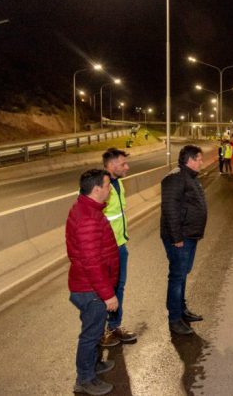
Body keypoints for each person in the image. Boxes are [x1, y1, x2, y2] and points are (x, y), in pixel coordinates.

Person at [66, 169, 120, 395]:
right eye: (107, 185)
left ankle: (93, 365)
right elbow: (91, 262)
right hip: (91, 290)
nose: (110, 189)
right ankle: (84, 379)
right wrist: (107, 294)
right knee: (90, 335)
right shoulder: (88, 218)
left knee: (95, 330)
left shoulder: (88, 209)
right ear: (97, 189)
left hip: (90, 287)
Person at [160, 145, 208, 335]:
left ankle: (181, 310)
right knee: (177, 276)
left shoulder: (189, 177)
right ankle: (174, 319)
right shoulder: (176, 178)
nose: (201, 162)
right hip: (180, 238)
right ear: (190, 159)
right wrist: (177, 237)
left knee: (182, 274)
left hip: (189, 235)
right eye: (199, 158)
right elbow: (170, 209)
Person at [100, 148, 137, 346]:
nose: (127, 167)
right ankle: (99, 333)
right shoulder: (99, 186)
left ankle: (114, 326)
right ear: (111, 165)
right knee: (103, 291)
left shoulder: (118, 183)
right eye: (123, 164)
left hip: (120, 245)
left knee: (118, 288)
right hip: (106, 249)